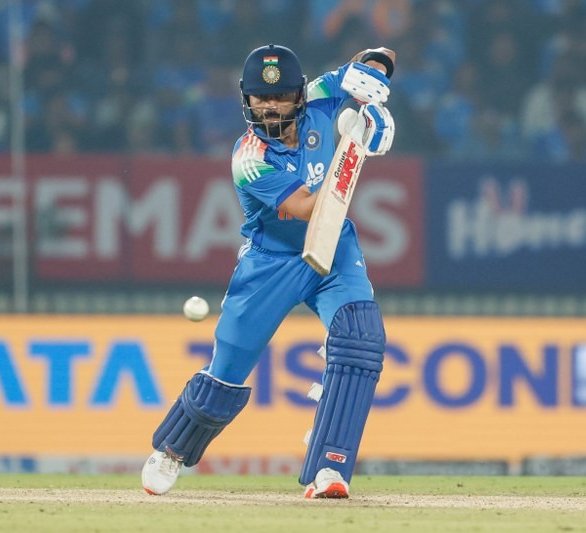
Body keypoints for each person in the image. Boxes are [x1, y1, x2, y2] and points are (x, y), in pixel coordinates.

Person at [141, 43, 396, 499]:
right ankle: (172, 449)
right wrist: (356, 146)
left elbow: (379, 59)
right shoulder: (249, 158)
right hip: (270, 262)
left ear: (299, 94)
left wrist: (375, 77)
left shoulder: (322, 95)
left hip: (333, 249)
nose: (270, 106)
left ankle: (329, 468)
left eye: (279, 97)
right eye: (260, 98)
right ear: (247, 99)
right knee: (227, 372)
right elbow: (307, 207)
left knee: (361, 340)